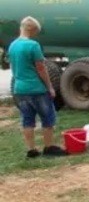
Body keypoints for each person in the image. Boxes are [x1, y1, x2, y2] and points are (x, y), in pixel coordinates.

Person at [8, 16, 67, 158]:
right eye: (36, 32)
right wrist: (50, 87)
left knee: (27, 120)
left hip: (20, 89)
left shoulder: (12, 45)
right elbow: (41, 68)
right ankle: (49, 147)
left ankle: (31, 150)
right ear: (32, 29)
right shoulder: (33, 45)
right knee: (48, 118)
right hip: (36, 88)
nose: (36, 34)